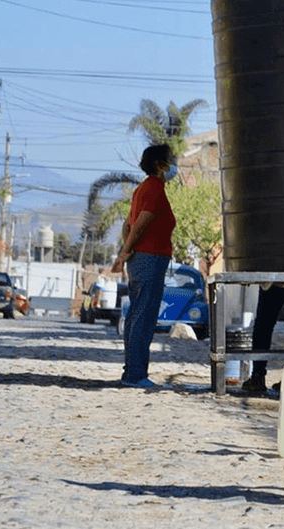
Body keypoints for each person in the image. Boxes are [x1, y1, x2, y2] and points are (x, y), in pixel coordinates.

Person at [111, 144, 178, 389]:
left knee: (139, 315)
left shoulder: (143, 189)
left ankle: (134, 370)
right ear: (161, 165)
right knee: (143, 316)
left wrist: (126, 251)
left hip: (143, 258)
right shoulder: (153, 189)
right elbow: (140, 224)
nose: (174, 165)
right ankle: (135, 374)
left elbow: (127, 226)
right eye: (171, 160)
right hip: (148, 258)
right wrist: (126, 251)